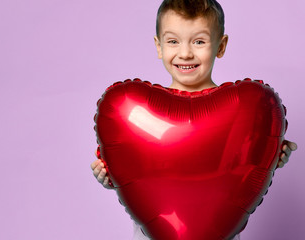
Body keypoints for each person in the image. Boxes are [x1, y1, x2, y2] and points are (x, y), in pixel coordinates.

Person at [91, 0, 298, 239]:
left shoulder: (244, 113)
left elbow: (243, 166)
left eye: (199, 41)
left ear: (220, 46)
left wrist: (271, 155)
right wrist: (109, 177)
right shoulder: (134, 116)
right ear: (158, 47)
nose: (186, 52)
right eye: (173, 41)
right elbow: (136, 174)